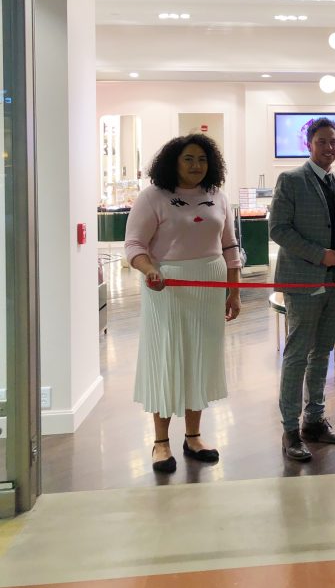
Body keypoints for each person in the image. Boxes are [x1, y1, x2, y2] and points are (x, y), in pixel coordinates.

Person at [124, 134, 242, 474]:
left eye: (202, 159)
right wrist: (149, 270)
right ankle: (161, 442)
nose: (196, 165)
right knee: (167, 358)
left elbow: (230, 246)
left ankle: (193, 436)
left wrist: (234, 291)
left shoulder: (217, 196)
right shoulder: (153, 197)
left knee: (199, 359)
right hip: (167, 288)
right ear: (174, 162)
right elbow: (134, 245)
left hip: (210, 286)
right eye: (188, 159)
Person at [270, 117, 335, 462]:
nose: (329, 147)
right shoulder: (291, 180)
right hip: (304, 279)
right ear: (308, 144)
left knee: (323, 353)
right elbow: (278, 229)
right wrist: (320, 255)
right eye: (322, 141)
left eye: (333, 141)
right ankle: (290, 429)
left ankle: (314, 421)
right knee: (296, 354)